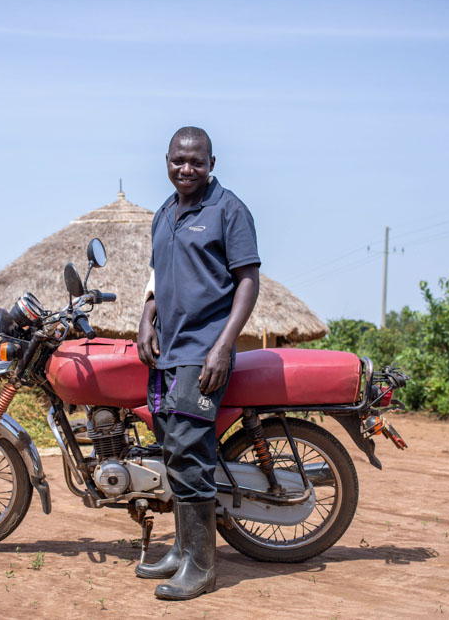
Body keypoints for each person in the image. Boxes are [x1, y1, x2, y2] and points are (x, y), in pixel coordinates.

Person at [135, 126, 260, 600]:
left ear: (212, 163)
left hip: (202, 350)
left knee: (190, 452)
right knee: (170, 448)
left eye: (196, 162)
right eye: (178, 161)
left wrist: (224, 345)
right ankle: (181, 551)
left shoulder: (229, 210)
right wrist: (146, 319)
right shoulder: (165, 213)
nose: (186, 169)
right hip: (167, 350)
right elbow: (157, 276)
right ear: (166, 160)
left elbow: (248, 279)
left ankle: (201, 567)